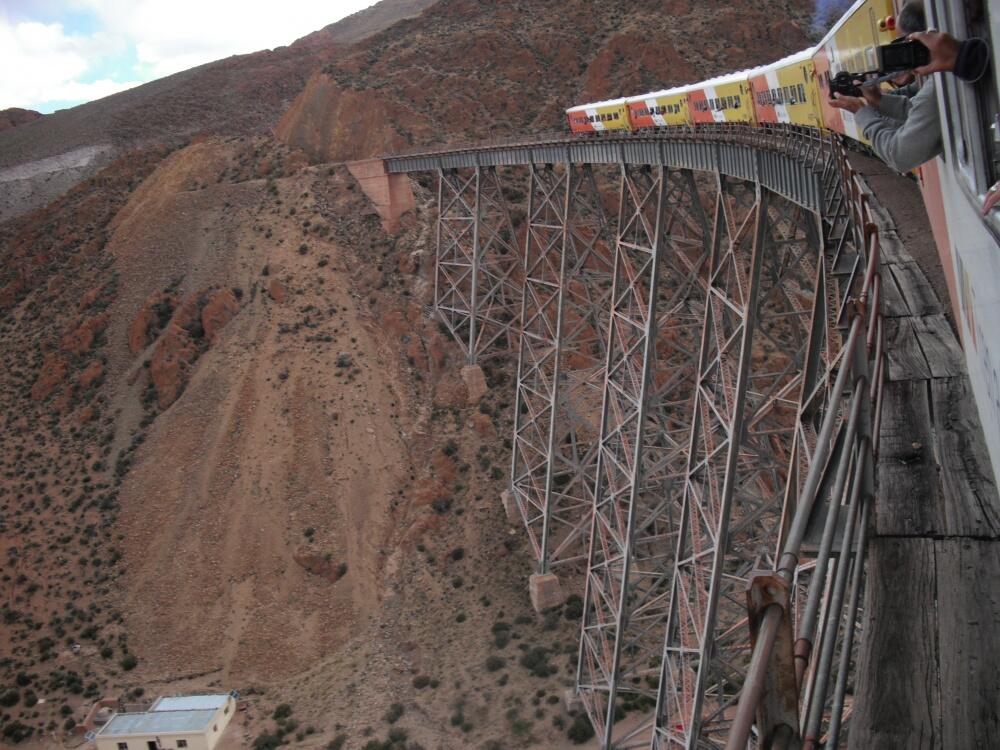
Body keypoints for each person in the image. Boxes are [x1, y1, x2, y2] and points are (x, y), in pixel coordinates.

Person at [829, 1, 939, 173]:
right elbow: (917, 109)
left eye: (904, 43)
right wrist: (879, 100)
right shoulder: (938, 81)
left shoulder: (939, 86)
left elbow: (898, 155)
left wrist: (861, 113)